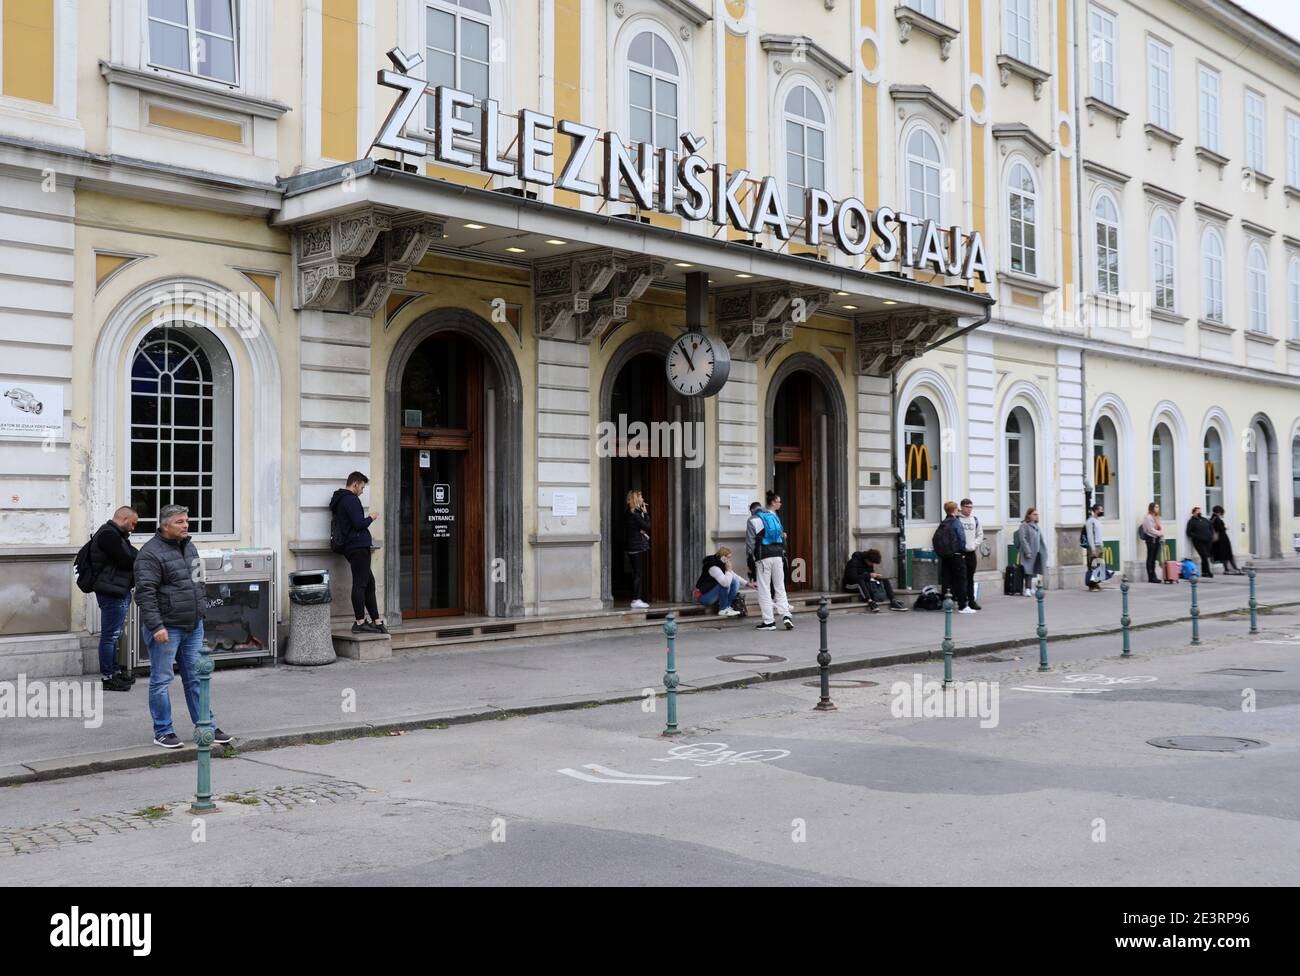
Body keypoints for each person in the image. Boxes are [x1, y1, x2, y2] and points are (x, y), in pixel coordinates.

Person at [134, 504, 232, 750]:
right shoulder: (149, 553)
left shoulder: (189, 546)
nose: (186, 525)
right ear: (165, 525)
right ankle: (163, 731)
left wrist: (200, 613)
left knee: (197, 677)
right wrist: (156, 626)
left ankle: (206, 725)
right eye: (180, 522)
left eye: (186, 521)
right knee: (161, 680)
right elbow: (145, 593)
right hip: (166, 627)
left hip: (192, 625)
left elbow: (199, 582)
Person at [89, 506, 140, 691]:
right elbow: (125, 560)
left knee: (115, 634)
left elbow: (130, 556)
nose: (133, 528)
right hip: (111, 591)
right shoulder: (108, 535)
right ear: (124, 518)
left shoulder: (115, 535)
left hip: (117, 589)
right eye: (133, 523)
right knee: (110, 635)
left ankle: (116, 673)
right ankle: (108, 677)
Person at [330, 472, 386, 633]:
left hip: (352, 547)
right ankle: (360, 622)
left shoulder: (341, 500)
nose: (362, 491)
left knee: (369, 583)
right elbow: (358, 524)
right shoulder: (351, 500)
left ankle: (376, 620)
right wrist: (371, 518)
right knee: (361, 584)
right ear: (354, 484)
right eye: (362, 487)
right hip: (358, 547)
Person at [751, 490, 793, 631]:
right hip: (777, 555)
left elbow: (750, 542)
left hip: (764, 556)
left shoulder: (756, 519)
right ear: (772, 502)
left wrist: (750, 559)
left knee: (764, 589)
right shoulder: (775, 517)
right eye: (778, 501)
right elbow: (780, 537)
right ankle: (786, 615)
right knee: (780, 586)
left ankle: (769, 622)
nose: (780, 504)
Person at [933, 500, 972, 612]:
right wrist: (963, 552)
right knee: (961, 579)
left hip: (945, 555)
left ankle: (947, 604)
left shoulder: (944, 522)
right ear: (954, 510)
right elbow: (961, 537)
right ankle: (963, 605)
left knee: (946, 579)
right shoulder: (955, 522)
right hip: (956, 554)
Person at [695, 547, 754, 617]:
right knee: (723, 584)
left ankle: (727, 607)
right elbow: (725, 584)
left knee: (735, 581)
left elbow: (735, 576)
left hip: (710, 594)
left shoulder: (721, 565)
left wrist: (748, 584)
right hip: (704, 597)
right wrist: (728, 570)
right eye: (728, 558)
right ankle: (723, 609)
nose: (729, 560)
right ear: (722, 558)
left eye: (730, 558)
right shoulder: (714, 567)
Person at [842, 549, 907, 612]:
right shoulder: (853, 562)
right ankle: (870, 602)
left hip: (864, 583)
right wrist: (869, 575)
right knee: (860, 581)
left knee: (885, 580)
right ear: (867, 559)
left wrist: (876, 576)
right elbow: (852, 578)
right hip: (849, 585)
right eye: (872, 562)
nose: (872, 564)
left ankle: (893, 601)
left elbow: (869, 575)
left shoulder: (869, 564)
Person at [622, 489, 652, 609]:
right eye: (641, 497)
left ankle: (636, 598)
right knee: (638, 573)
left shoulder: (629, 512)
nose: (643, 499)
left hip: (631, 546)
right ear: (636, 499)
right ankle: (636, 599)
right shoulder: (635, 514)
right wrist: (646, 513)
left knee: (636, 573)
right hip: (636, 547)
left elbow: (638, 527)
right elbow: (647, 526)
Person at [957, 498, 984, 611]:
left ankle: (971, 601)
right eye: (967, 507)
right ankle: (961, 602)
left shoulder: (975, 520)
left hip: (971, 552)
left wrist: (974, 544)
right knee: (961, 578)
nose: (969, 510)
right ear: (962, 507)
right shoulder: (957, 520)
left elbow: (980, 534)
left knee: (970, 578)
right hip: (960, 553)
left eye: (971, 507)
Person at [1012, 507, 1044, 597]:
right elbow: (1023, 539)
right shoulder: (1024, 525)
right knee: (1027, 570)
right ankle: (1027, 589)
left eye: (1037, 514)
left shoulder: (1036, 526)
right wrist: (1027, 551)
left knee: (1033, 570)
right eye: (1034, 514)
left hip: (1036, 551)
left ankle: (1031, 587)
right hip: (1028, 552)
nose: (1036, 516)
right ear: (1029, 515)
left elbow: (1039, 539)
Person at [1210, 505, 1242, 574]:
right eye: (1221, 512)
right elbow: (1219, 528)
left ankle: (1227, 569)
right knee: (1229, 554)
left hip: (1218, 540)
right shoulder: (1217, 519)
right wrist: (1225, 528)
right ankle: (1235, 569)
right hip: (1222, 539)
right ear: (1219, 512)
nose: (1221, 513)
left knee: (1224, 555)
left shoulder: (1212, 518)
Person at [1186, 506, 1215, 579]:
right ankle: (1208, 572)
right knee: (1204, 556)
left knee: (1205, 557)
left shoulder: (1204, 519)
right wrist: (1198, 536)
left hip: (1208, 541)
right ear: (1194, 513)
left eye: (1200, 511)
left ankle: (1204, 572)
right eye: (1197, 511)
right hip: (1198, 542)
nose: (1199, 512)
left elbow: (1211, 527)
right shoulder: (1191, 521)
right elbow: (1189, 532)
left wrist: (1211, 535)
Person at [1140, 502, 1165, 583]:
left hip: (1157, 539)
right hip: (1150, 539)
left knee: (1154, 558)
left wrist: (1161, 536)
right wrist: (1160, 533)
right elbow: (1150, 529)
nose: (1158, 508)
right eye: (1156, 507)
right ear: (1152, 508)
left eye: (1158, 507)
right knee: (1150, 558)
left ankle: (1154, 576)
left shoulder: (1157, 517)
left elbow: (1159, 528)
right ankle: (1151, 577)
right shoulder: (1148, 517)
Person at [1084, 503, 1106, 591]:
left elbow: (1099, 535)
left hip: (1099, 546)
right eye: (1101, 509)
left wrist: (1102, 545)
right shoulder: (1090, 521)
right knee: (1092, 566)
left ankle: (1096, 583)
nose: (1102, 511)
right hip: (1094, 547)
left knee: (1099, 566)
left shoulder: (1098, 521)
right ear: (1096, 510)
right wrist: (1092, 548)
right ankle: (1091, 585)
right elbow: (1090, 535)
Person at [744, 500, 762, 583]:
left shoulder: (752, 519)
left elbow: (750, 539)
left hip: (760, 551)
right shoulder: (771, 515)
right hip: (775, 551)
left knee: (760, 579)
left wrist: (749, 554)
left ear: (751, 510)